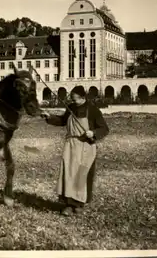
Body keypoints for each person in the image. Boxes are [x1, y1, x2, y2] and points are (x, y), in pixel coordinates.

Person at [41, 86, 109, 216]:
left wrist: (93, 133)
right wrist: (49, 117)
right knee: (68, 174)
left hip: (86, 146)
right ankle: (68, 204)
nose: (73, 101)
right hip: (71, 145)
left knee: (81, 174)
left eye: (75, 99)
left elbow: (104, 128)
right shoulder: (71, 108)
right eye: (72, 99)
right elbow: (62, 121)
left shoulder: (93, 110)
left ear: (83, 97)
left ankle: (79, 203)